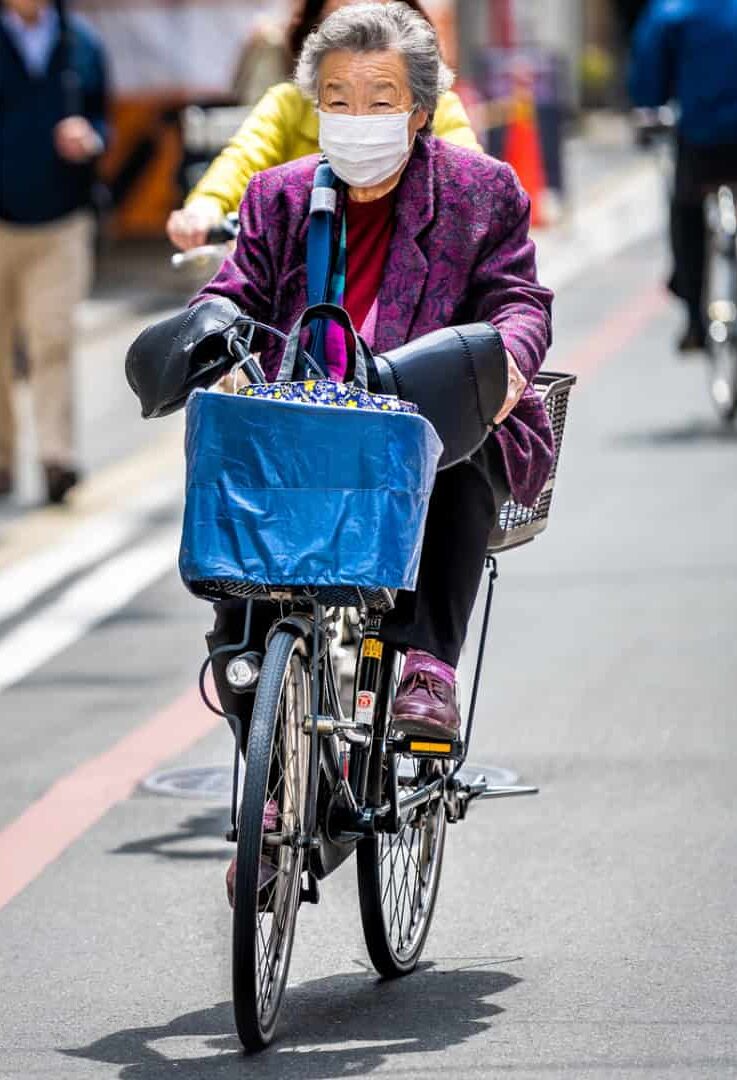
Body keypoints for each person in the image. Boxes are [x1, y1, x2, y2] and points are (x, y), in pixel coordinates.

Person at [133, 1, 552, 904]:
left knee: (460, 447)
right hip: (305, 426)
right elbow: (235, 289)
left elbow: (519, 301)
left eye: (380, 99)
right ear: (313, 104)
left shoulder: (480, 192)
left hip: (419, 416)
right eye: (338, 98)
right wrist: (209, 337)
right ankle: (276, 780)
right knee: (243, 614)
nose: (357, 118)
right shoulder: (279, 196)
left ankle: (428, 666)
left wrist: (509, 361)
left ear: (419, 109)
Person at [166, 0, 479, 252]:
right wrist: (205, 208)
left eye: (382, 104)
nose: (358, 50)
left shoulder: (437, 106)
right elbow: (241, 159)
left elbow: (472, 184)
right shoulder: (287, 104)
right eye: (341, 28)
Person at [0, 0, 108, 503]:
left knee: (53, 339)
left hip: (64, 218)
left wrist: (92, 138)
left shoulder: (81, 41)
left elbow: (102, 118)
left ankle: (56, 458)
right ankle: (2, 460)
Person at [629, 0, 737, 351]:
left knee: (687, 210)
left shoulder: (674, 10)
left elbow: (648, 67)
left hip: (703, 138)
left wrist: (648, 107)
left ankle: (695, 319)